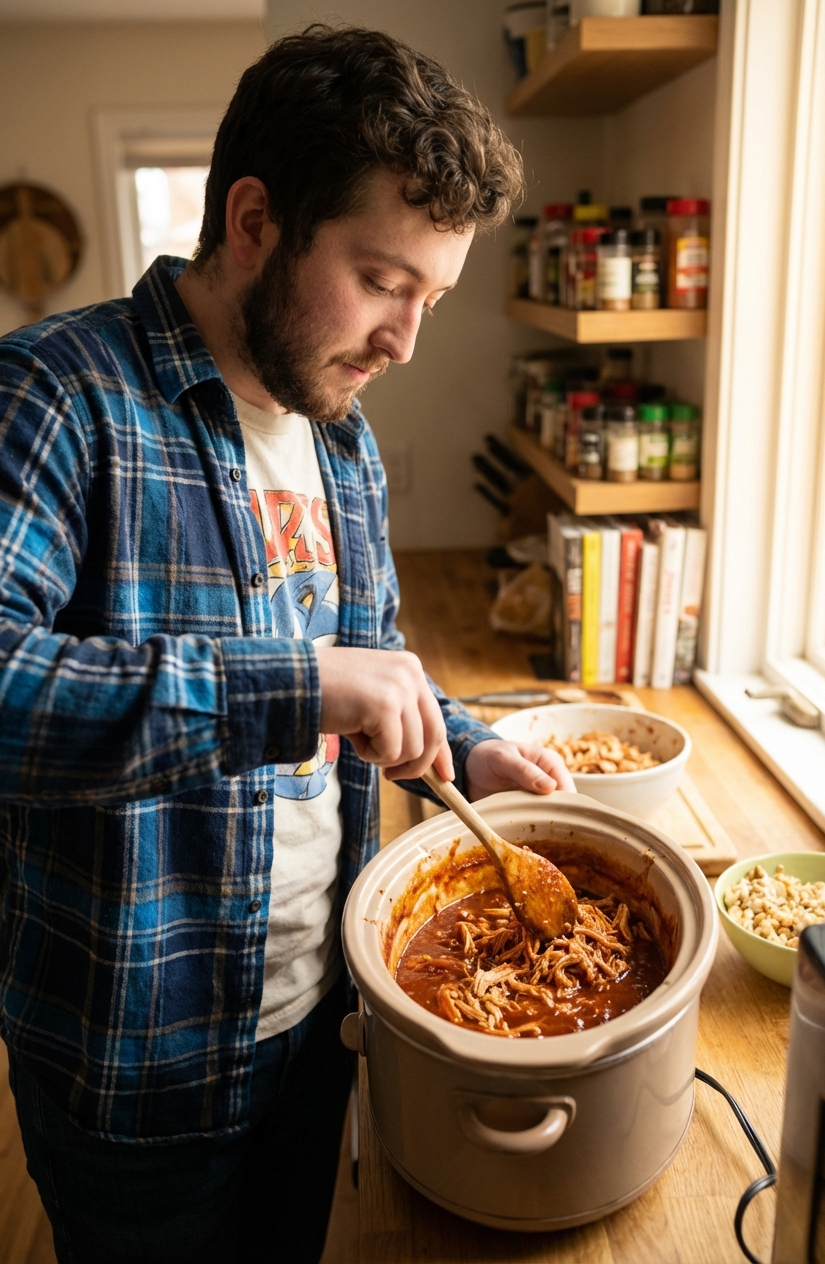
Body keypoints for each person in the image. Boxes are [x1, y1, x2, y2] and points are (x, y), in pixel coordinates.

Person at [0, 25, 573, 1264]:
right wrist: (294, 683)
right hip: (136, 1073)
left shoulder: (340, 435)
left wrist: (466, 749)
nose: (405, 342)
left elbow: (371, 660)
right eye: (381, 280)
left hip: (324, 1020)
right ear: (254, 220)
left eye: (433, 297)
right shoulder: (56, 394)